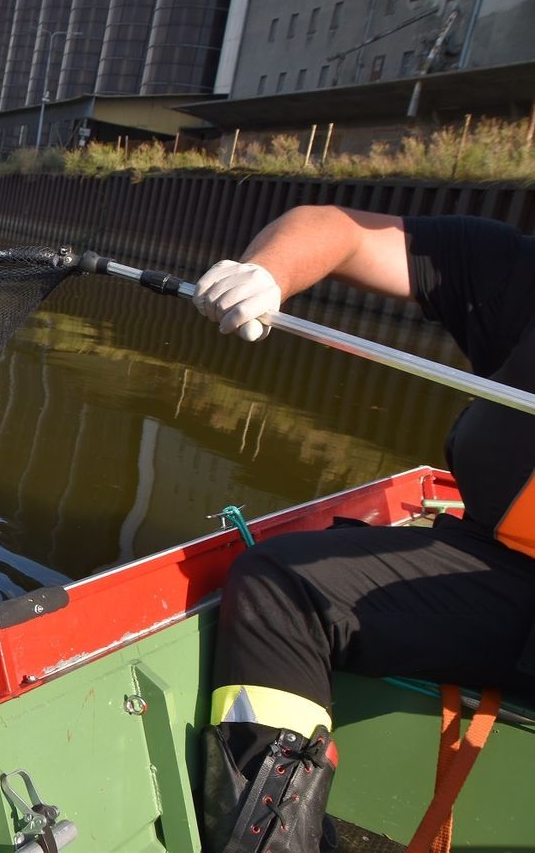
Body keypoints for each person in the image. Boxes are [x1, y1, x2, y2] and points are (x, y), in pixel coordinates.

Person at [190, 205, 535, 853]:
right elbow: (339, 230)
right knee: (280, 586)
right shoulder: (515, 272)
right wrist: (267, 273)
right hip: (502, 571)